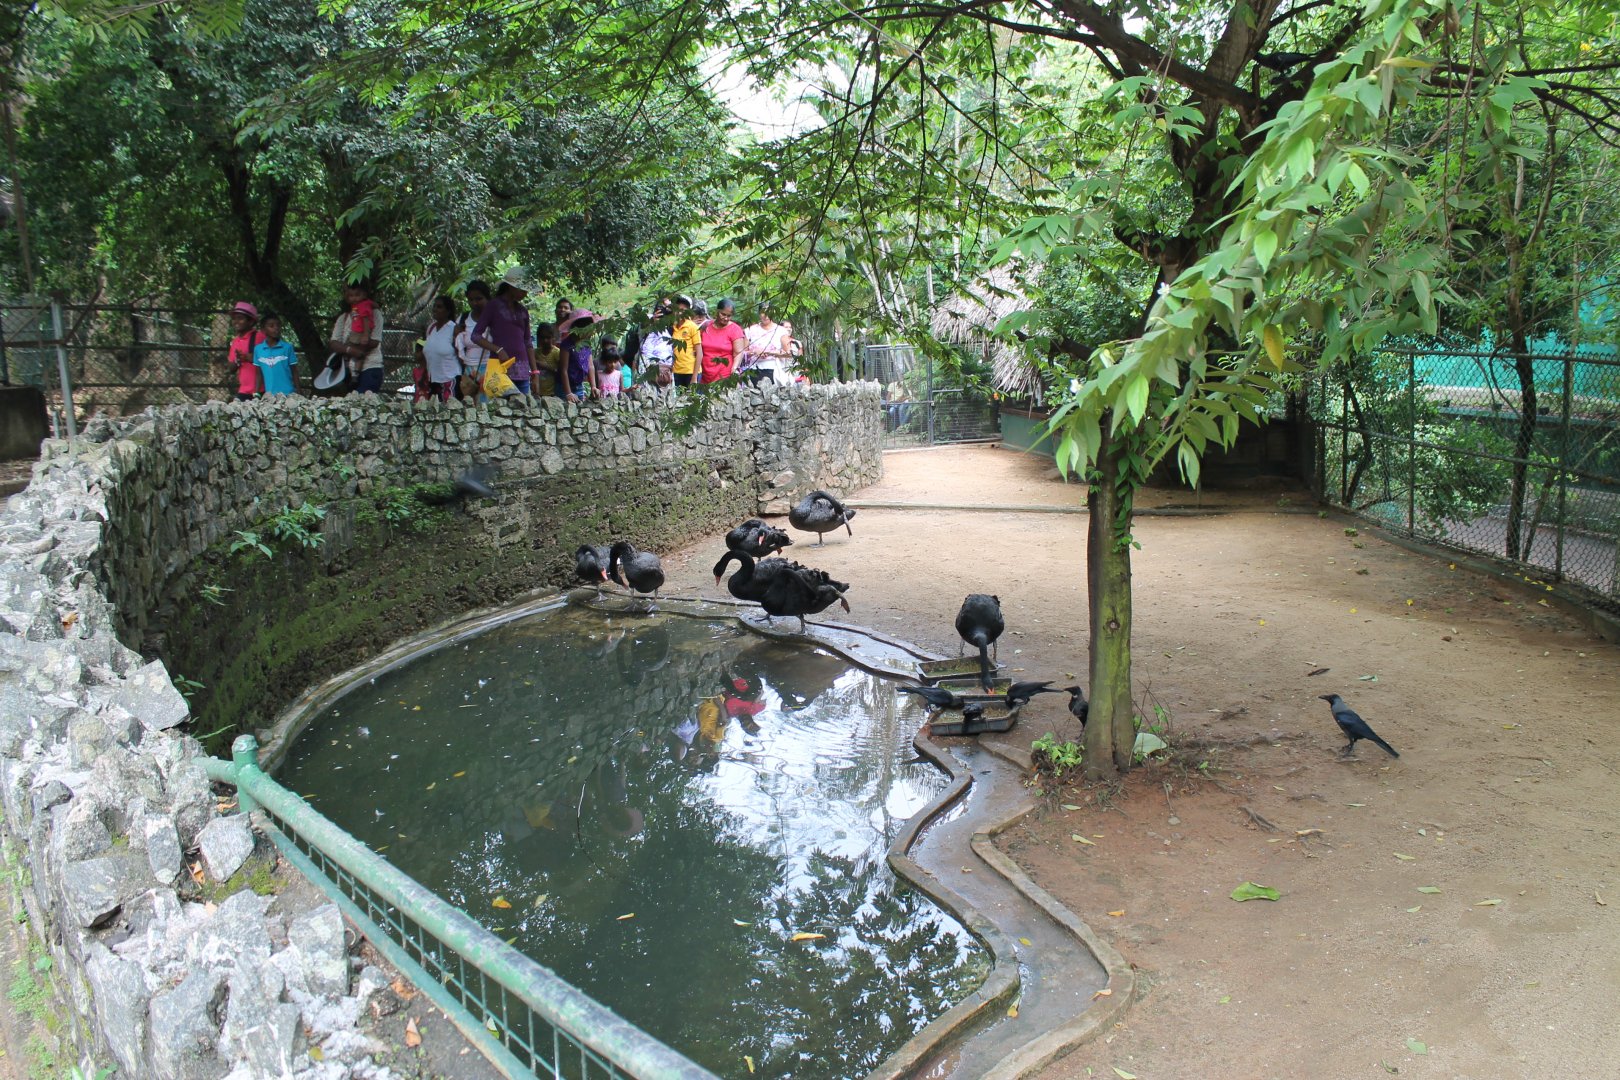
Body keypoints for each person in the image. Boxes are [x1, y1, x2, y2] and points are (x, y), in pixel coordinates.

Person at [470, 268, 536, 395]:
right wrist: (498, 350)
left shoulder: (522, 311)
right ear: (511, 287)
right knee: (500, 411)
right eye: (521, 289)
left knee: (524, 412)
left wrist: (535, 372)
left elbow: (528, 343)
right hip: (500, 368)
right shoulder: (493, 306)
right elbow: (475, 335)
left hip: (522, 372)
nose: (525, 293)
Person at [330, 283, 385, 394]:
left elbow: (374, 341)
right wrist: (350, 350)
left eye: (357, 295)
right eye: (351, 295)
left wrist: (354, 349)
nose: (354, 298)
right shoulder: (344, 317)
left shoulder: (374, 313)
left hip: (370, 366)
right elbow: (334, 342)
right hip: (347, 370)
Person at [454, 280, 492, 400]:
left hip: (491, 370)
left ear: (488, 298)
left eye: (479, 299)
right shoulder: (463, 319)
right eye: (471, 299)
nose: (474, 303)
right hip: (469, 372)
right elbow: (457, 346)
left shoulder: (496, 318)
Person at [419, 295, 460, 401]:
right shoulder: (431, 328)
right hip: (433, 381)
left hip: (450, 380)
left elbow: (461, 354)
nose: (435, 309)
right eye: (434, 306)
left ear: (448, 311)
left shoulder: (453, 328)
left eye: (439, 307)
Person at [699, 298, 747, 384]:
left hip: (724, 374)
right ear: (717, 311)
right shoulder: (706, 326)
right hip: (704, 373)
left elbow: (738, 352)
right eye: (723, 314)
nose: (726, 318)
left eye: (729, 316)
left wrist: (734, 369)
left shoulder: (735, 329)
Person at [251, 312, 298, 397]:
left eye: (278, 325)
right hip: (270, 395)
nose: (276, 328)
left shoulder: (287, 347)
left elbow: (294, 371)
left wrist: (299, 391)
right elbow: (259, 373)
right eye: (271, 326)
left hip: (288, 393)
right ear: (263, 330)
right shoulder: (258, 349)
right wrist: (256, 392)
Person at [744, 303, 792, 385]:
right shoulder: (750, 330)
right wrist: (754, 352)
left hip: (774, 370)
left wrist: (769, 353)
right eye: (763, 312)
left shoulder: (781, 331)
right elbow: (742, 352)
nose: (765, 315)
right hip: (753, 370)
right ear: (759, 313)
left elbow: (789, 353)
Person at [557, 310, 598, 402]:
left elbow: (590, 366)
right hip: (564, 387)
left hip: (578, 386)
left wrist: (593, 386)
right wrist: (568, 393)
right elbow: (564, 369)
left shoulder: (586, 344)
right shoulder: (567, 344)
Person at [226, 301, 264, 401]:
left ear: (250, 322)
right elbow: (231, 368)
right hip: (244, 390)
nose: (236, 321)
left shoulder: (259, 337)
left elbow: (269, 359)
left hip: (262, 390)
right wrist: (237, 360)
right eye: (234, 318)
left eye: (240, 318)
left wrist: (250, 357)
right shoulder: (235, 341)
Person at [639, 302, 675, 389]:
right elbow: (641, 331)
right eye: (662, 307)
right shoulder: (647, 322)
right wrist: (652, 321)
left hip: (666, 370)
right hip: (647, 367)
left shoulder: (672, 326)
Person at [670, 296, 701, 387]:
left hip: (690, 371)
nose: (680, 313)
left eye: (683, 310)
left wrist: (694, 377)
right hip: (676, 371)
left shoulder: (692, 327)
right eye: (677, 309)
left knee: (691, 399)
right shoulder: (672, 327)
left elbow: (699, 352)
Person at [532, 322, 561, 399]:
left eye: (548, 338)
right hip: (538, 393)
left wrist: (545, 366)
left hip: (553, 393)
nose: (545, 340)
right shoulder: (535, 353)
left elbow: (561, 371)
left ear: (553, 338)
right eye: (542, 338)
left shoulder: (556, 352)